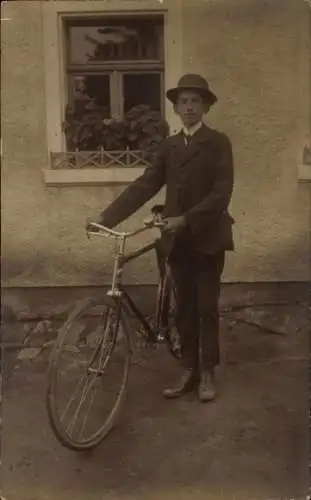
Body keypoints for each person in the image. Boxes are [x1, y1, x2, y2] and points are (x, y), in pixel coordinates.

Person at [91, 74, 234, 403]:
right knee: (183, 307)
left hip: (208, 237)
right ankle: (188, 369)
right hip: (178, 242)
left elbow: (221, 194)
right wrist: (105, 218)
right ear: (175, 107)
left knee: (205, 307)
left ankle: (208, 371)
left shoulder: (218, 143)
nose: (188, 107)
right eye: (183, 101)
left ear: (206, 106)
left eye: (195, 101)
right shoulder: (170, 147)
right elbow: (145, 185)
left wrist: (185, 219)